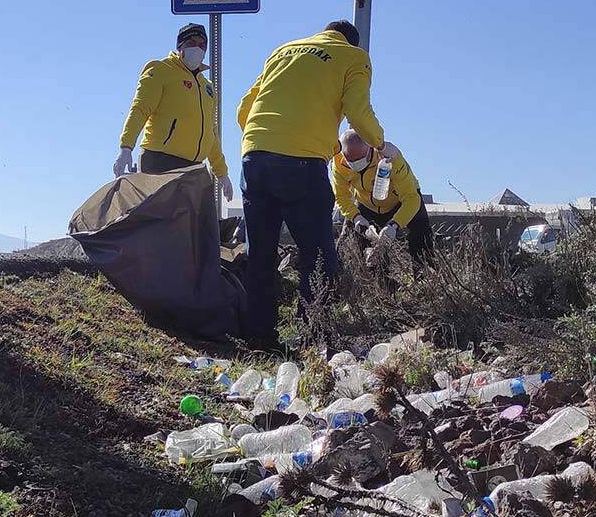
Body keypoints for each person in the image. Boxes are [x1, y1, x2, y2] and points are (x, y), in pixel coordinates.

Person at [237, 19, 400, 348]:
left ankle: (259, 338)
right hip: (302, 164)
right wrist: (381, 144)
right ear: (352, 42)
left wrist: (268, 142)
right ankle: (312, 338)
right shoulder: (353, 57)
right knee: (319, 256)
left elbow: (245, 108)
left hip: (254, 157)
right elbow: (358, 112)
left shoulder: (282, 51)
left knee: (261, 254)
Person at [112, 24, 233, 201]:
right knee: (160, 218)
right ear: (180, 46)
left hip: (195, 168)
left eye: (202, 45)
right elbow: (139, 109)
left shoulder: (207, 87)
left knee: (197, 219)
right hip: (160, 162)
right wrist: (126, 147)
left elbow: (211, 133)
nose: (197, 48)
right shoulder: (160, 70)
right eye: (191, 43)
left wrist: (222, 173)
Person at [332, 130, 434, 262]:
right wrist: (356, 218)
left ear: (370, 148)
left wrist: (394, 225)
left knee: (421, 236)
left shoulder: (390, 157)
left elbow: (411, 199)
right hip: (365, 203)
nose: (356, 164)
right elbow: (341, 197)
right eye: (350, 160)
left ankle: (424, 272)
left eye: (360, 159)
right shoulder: (338, 163)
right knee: (347, 243)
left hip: (401, 201)